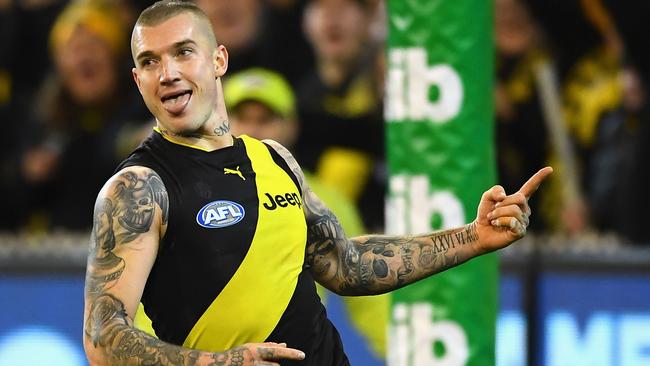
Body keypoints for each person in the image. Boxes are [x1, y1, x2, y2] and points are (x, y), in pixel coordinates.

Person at [82, 1, 552, 365]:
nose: (168, 73)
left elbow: (344, 264)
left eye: (183, 52)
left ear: (218, 59)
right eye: (149, 61)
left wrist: (471, 236)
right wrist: (216, 362)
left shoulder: (275, 160)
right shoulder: (138, 189)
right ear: (138, 79)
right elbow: (102, 336)